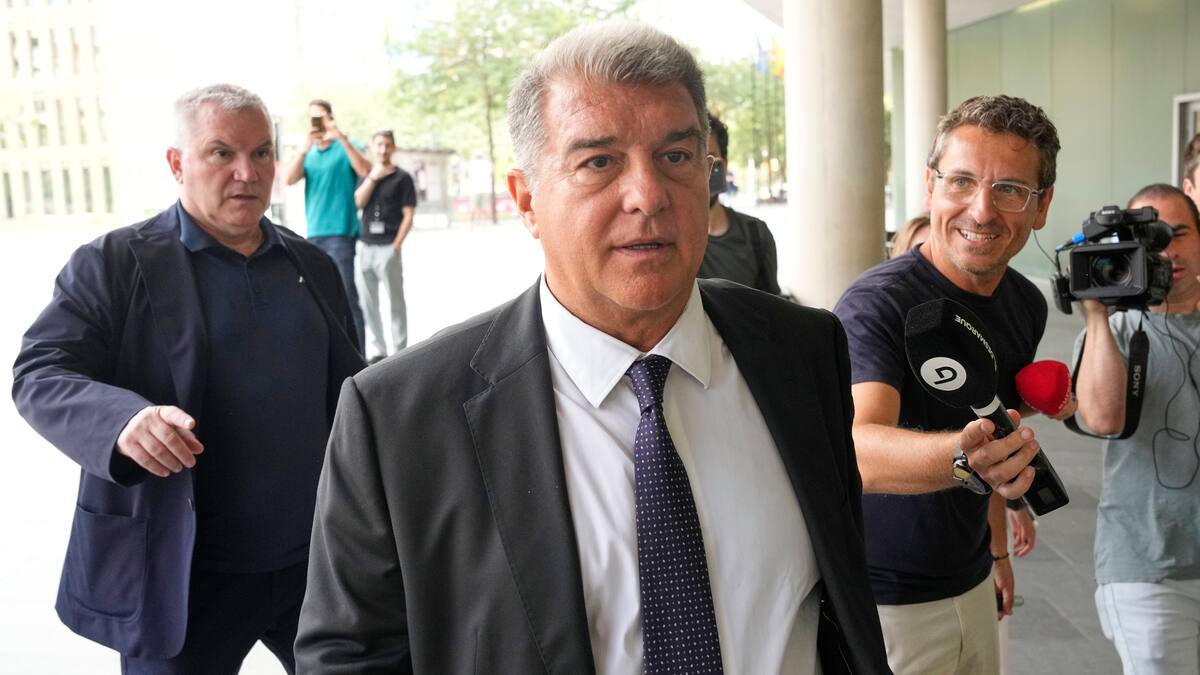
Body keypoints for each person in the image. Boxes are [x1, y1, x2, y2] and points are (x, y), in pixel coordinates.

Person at [295, 21, 890, 674]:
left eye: (676, 156)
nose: (648, 195)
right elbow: (349, 657)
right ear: (527, 200)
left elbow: (838, 600)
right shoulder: (399, 418)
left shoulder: (803, 351)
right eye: (599, 162)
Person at [11, 84, 365, 673]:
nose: (247, 173)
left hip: (315, 565)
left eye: (261, 153)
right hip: (180, 572)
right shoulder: (113, 263)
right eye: (222, 153)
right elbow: (40, 372)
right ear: (178, 164)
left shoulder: (312, 266)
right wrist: (124, 421)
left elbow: (352, 393)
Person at [833, 94, 1074, 675]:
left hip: (970, 576)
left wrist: (997, 552)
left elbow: (991, 424)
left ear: (1041, 206)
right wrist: (969, 458)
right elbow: (859, 447)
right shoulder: (876, 304)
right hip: (885, 599)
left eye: (1010, 189)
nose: (982, 210)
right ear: (930, 187)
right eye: (962, 181)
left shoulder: (1024, 302)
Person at [1074, 183, 1200, 674]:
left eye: (1178, 234)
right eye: (1151, 241)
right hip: (1147, 567)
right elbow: (1103, 418)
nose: (1168, 251)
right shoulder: (1114, 332)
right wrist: (1096, 314)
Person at [285, 98, 371, 347]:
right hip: (314, 234)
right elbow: (289, 179)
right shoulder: (308, 153)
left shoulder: (346, 146)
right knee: (318, 299)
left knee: (346, 296)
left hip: (341, 233)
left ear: (330, 118)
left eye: (321, 117)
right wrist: (304, 148)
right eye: (312, 118)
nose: (317, 123)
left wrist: (341, 138)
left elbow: (365, 170)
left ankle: (359, 357)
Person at [696, 113, 781, 294]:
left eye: (710, 159)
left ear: (724, 165)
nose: (701, 170)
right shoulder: (664, 239)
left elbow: (769, 305)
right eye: (686, 157)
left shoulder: (756, 235)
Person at [354, 129, 416, 360]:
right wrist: (373, 177)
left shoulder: (403, 178)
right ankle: (379, 350)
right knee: (368, 303)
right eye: (379, 144)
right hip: (365, 246)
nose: (383, 149)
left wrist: (396, 245)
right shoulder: (367, 175)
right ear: (372, 147)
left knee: (396, 301)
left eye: (387, 145)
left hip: (388, 247)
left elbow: (408, 215)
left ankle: (400, 350)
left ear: (393, 148)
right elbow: (358, 202)